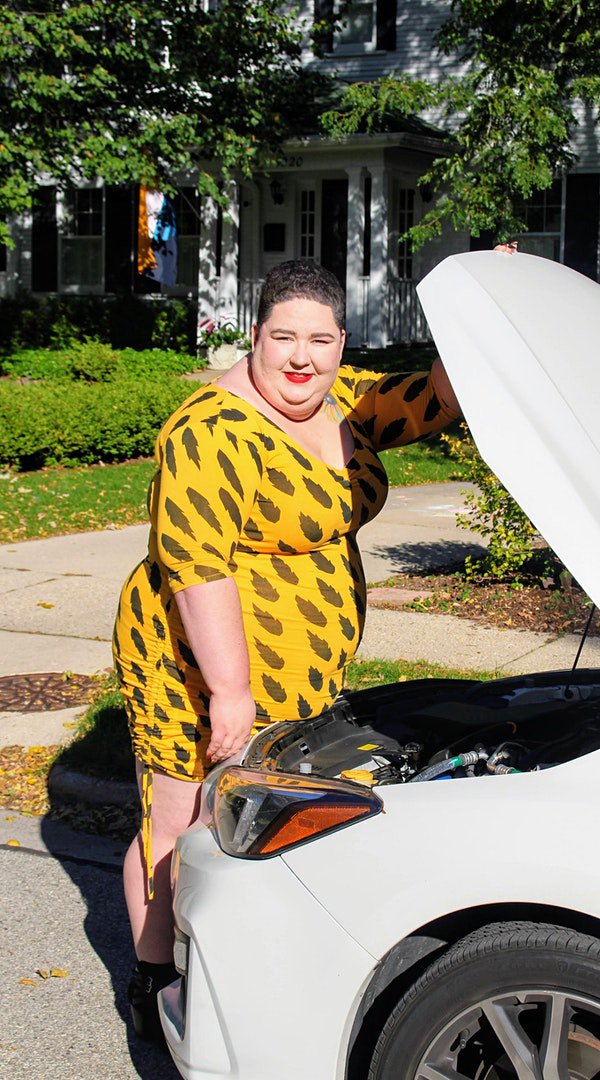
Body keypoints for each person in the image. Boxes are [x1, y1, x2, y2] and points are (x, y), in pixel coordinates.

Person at [112, 258, 462, 1041]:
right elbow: (198, 570)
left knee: (259, 818)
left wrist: (484, 301)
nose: (301, 357)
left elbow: (438, 397)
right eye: (283, 338)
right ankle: (155, 974)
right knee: (178, 817)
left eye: (321, 339)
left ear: (342, 342)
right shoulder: (207, 431)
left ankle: (246, 963)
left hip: (299, 669)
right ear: (255, 337)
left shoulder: (339, 402)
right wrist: (230, 691)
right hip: (190, 661)